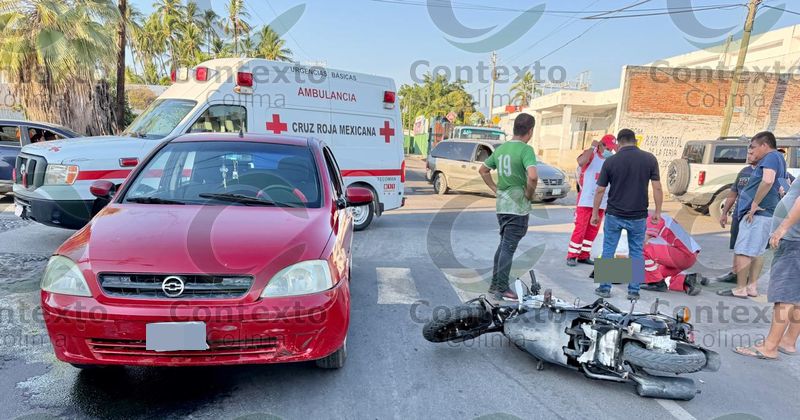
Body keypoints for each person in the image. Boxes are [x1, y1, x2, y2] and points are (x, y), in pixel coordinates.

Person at [734, 173, 800, 360]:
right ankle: (787, 341)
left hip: (794, 240)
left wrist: (782, 228)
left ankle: (769, 347)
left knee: (785, 296)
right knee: (796, 297)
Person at [591, 128, 663, 300]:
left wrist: (595, 213)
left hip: (614, 213)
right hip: (638, 215)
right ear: (635, 141)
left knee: (609, 249)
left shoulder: (611, 162)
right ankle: (633, 291)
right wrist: (658, 211)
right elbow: (657, 187)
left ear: (619, 142)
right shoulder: (649, 159)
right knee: (636, 251)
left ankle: (604, 289)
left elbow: (600, 190)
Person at [718, 131, 787, 299]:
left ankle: (740, 289)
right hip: (767, 213)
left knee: (743, 251)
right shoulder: (779, 159)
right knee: (757, 251)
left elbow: (769, 180)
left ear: (765, 145)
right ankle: (752, 288)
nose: (753, 151)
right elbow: (783, 184)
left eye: (754, 147)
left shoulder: (770, 157)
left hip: (758, 214)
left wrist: (754, 205)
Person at [479, 113, 539, 301]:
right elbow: (533, 176)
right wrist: (529, 194)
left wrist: (495, 188)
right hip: (517, 207)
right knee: (508, 247)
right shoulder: (525, 150)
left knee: (503, 245)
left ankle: (495, 284)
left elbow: (483, 170)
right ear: (530, 131)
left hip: (502, 205)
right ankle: (502, 288)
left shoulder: (501, 149)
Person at [566, 134, 617, 266]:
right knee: (580, 228)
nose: (609, 151)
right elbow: (581, 162)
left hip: (601, 202)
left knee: (592, 230)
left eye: (611, 149)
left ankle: (584, 255)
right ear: (600, 144)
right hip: (586, 200)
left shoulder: (611, 160)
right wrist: (592, 147)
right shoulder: (592, 155)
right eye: (607, 147)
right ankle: (572, 255)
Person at [710, 160, 756, 284]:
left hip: (753, 216)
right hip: (738, 214)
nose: (749, 155)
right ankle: (735, 273)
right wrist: (725, 213)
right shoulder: (744, 171)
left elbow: (786, 184)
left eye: (752, 151)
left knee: (749, 247)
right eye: (749, 152)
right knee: (737, 246)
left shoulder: (765, 171)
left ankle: (746, 276)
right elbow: (733, 192)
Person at [639, 214, 702, 295]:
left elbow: (642, 244)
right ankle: (688, 279)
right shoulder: (653, 216)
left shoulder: (652, 219)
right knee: (652, 274)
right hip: (685, 256)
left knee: (640, 248)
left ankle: (657, 283)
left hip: (683, 255)